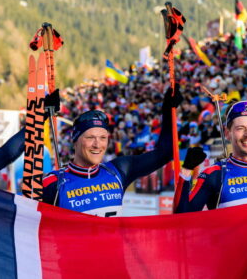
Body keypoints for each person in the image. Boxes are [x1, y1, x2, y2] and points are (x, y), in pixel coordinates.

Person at [41, 85, 182, 217]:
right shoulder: (54, 183)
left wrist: (168, 110)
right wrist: (40, 117)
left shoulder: (118, 171)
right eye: (90, 137)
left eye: (103, 138)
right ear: (75, 140)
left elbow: (165, 153)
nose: (97, 144)